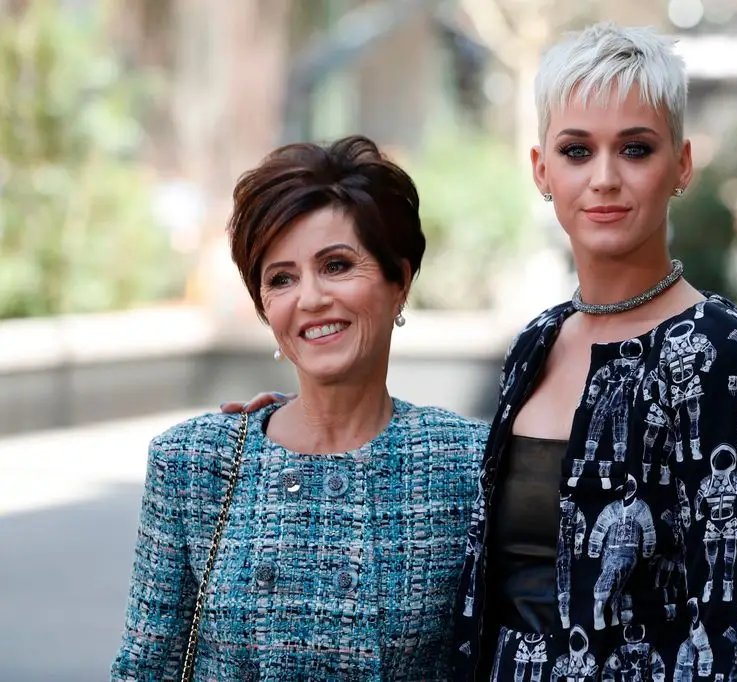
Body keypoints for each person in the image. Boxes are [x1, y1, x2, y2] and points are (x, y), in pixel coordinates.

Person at [229, 22, 737, 682]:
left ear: (682, 165)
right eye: (577, 151)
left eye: (635, 149)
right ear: (542, 170)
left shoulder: (720, 349)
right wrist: (297, 425)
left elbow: (730, 628)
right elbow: (470, 488)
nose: (604, 178)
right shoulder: (538, 340)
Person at [111, 135, 489, 681]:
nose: (309, 298)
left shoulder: (466, 463)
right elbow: (146, 668)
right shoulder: (194, 462)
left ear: (399, 282)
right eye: (281, 279)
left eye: (336, 265)